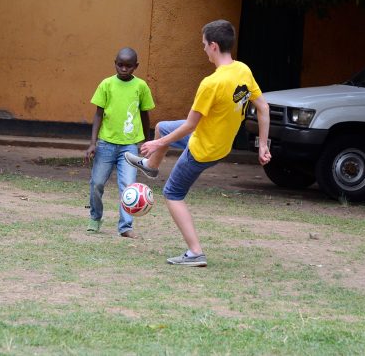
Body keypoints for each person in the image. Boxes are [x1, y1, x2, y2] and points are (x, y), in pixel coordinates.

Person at [125, 19, 271, 267]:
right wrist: (264, 144)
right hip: (218, 143)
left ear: (214, 46)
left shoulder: (211, 83)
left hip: (202, 149)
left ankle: (195, 252)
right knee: (161, 127)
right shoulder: (242, 71)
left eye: (204, 45)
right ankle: (150, 166)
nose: (202, 49)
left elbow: (190, 126)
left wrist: (158, 145)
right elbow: (263, 107)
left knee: (173, 193)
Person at [84, 47, 155, 239]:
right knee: (97, 183)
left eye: (128, 66)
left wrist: (147, 142)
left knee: (128, 186)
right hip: (106, 143)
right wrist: (93, 143)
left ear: (136, 66)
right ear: (114, 63)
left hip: (130, 146)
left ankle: (125, 226)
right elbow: (98, 114)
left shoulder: (141, 87)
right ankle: (95, 217)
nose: (123, 69)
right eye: (120, 64)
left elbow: (145, 114)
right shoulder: (106, 84)